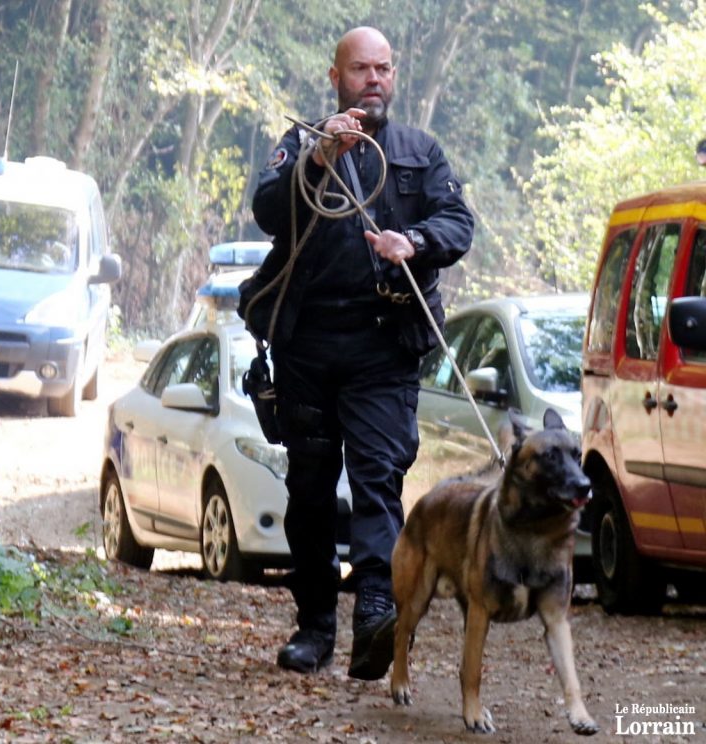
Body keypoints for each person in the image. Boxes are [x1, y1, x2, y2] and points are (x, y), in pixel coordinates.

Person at [237, 26, 474, 679]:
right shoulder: (301, 145)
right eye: (362, 69)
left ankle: (376, 613)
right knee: (310, 489)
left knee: (378, 479)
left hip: (384, 341)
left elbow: (458, 226)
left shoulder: (419, 152)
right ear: (336, 76)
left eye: (384, 69)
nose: (374, 79)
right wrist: (317, 158)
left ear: (394, 77)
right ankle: (315, 626)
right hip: (308, 342)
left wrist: (415, 242)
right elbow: (266, 209)